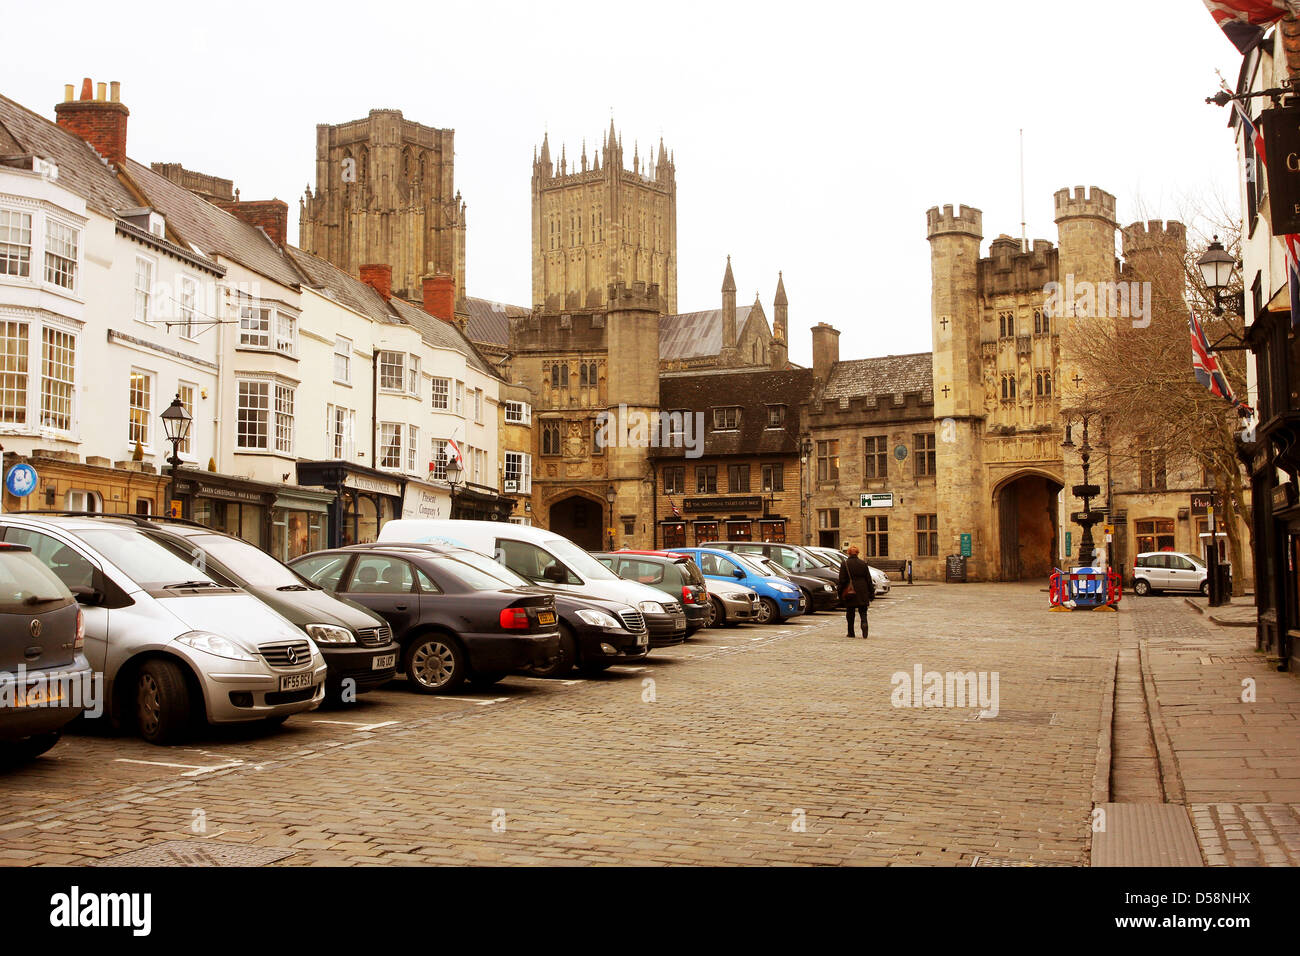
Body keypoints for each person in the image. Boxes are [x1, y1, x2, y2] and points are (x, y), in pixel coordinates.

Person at [837, 545, 876, 638]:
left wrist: (840, 592)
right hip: (863, 590)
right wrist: (871, 593)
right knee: (863, 611)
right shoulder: (863, 563)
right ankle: (864, 624)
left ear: (848, 553)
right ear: (857, 553)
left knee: (850, 612)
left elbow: (842, 580)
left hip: (850, 591)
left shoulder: (845, 564)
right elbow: (868, 579)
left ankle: (851, 632)